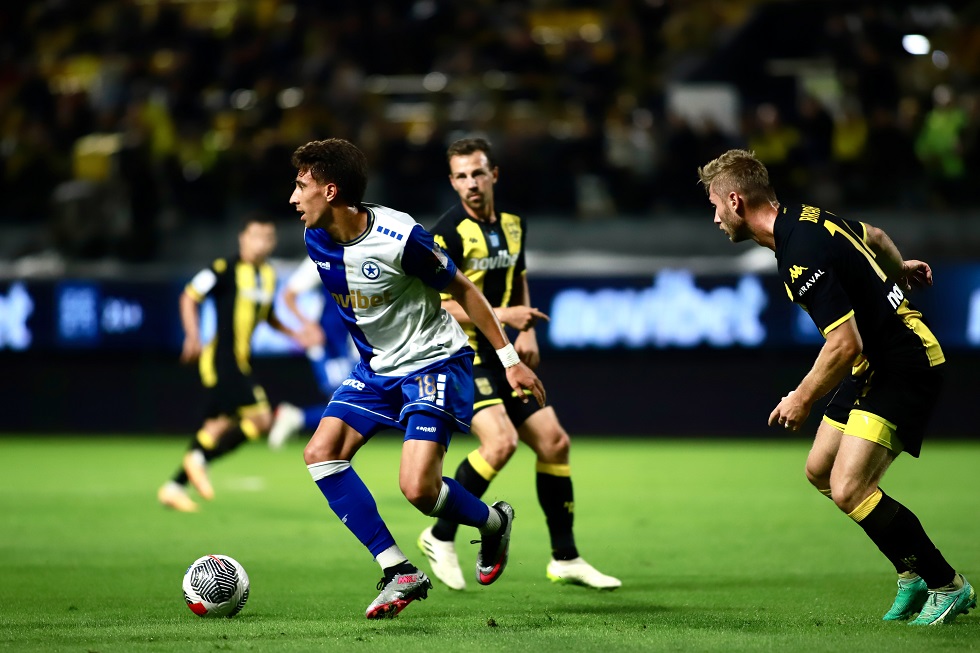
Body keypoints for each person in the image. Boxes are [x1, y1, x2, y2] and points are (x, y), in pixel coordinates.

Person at [697, 148, 975, 626]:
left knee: (849, 488)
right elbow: (877, 236)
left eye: (716, 205)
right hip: (876, 363)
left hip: (904, 363)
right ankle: (910, 569)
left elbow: (844, 344)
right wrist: (897, 271)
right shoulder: (806, 217)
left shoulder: (798, 254)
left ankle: (947, 584)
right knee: (821, 470)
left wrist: (801, 398)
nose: (716, 217)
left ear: (736, 201)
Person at [289, 138, 546, 619]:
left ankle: (494, 523)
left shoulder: (401, 238)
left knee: (418, 490)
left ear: (330, 191)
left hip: (434, 362)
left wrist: (509, 359)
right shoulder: (315, 236)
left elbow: (465, 291)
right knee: (320, 454)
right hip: (376, 369)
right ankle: (398, 570)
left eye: (302, 186)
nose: (293, 198)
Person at [420, 137, 620, 591]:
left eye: (478, 173)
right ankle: (440, 534)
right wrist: (505, 316)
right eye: (461, 176)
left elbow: (520, 277)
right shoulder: (446, 234)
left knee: (554, 442)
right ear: (452, 182)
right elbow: (437, 305)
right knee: (501, 443)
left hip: (505, 355)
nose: (471, 183)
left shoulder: (514, 225)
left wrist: (526, 329)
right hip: (463, 357)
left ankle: (565, 558)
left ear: (494, 174)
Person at [158, 213, 312, 513]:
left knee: (218, 425)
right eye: (256, 236)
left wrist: (295, 333)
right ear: (242, 238)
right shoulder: (224, 269)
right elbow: (189, 297)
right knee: (261, 419)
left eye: (268, 238)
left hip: (241, 360)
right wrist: (192, 336)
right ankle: (198, 460)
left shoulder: (267, 274)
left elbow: (267, 315)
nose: (262, 243)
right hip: (222, 359)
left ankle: (174, 487)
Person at [267, 256, 358, 449]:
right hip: (327, 342)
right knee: (343, 401)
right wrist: (308, 326)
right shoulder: (322, 254)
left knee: (349, 403)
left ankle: (296, 418)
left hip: (354, 341)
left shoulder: (367, 252)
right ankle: (300, 421)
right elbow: (289, 294)